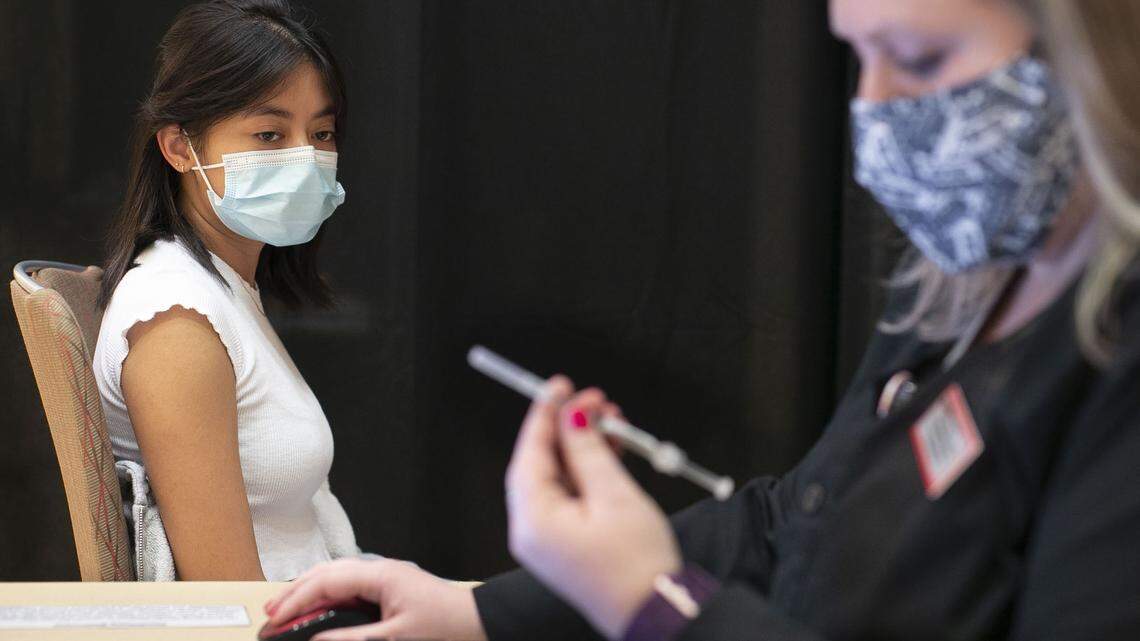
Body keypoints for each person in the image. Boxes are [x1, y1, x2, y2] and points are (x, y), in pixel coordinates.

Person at [264, 0, 1140, 638]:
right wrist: (479, 609)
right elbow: (798, 521)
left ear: (1102, 47)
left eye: (915, 58)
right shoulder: (965, 282)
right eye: (857, 58)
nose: (875, 110)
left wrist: (654, 603)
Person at [93, 0, 358, 581]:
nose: (305, 157)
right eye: (269, 133)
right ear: (180, 147)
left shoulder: (227, 288)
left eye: (321, 132)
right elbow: (227, 596)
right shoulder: (175, 320)